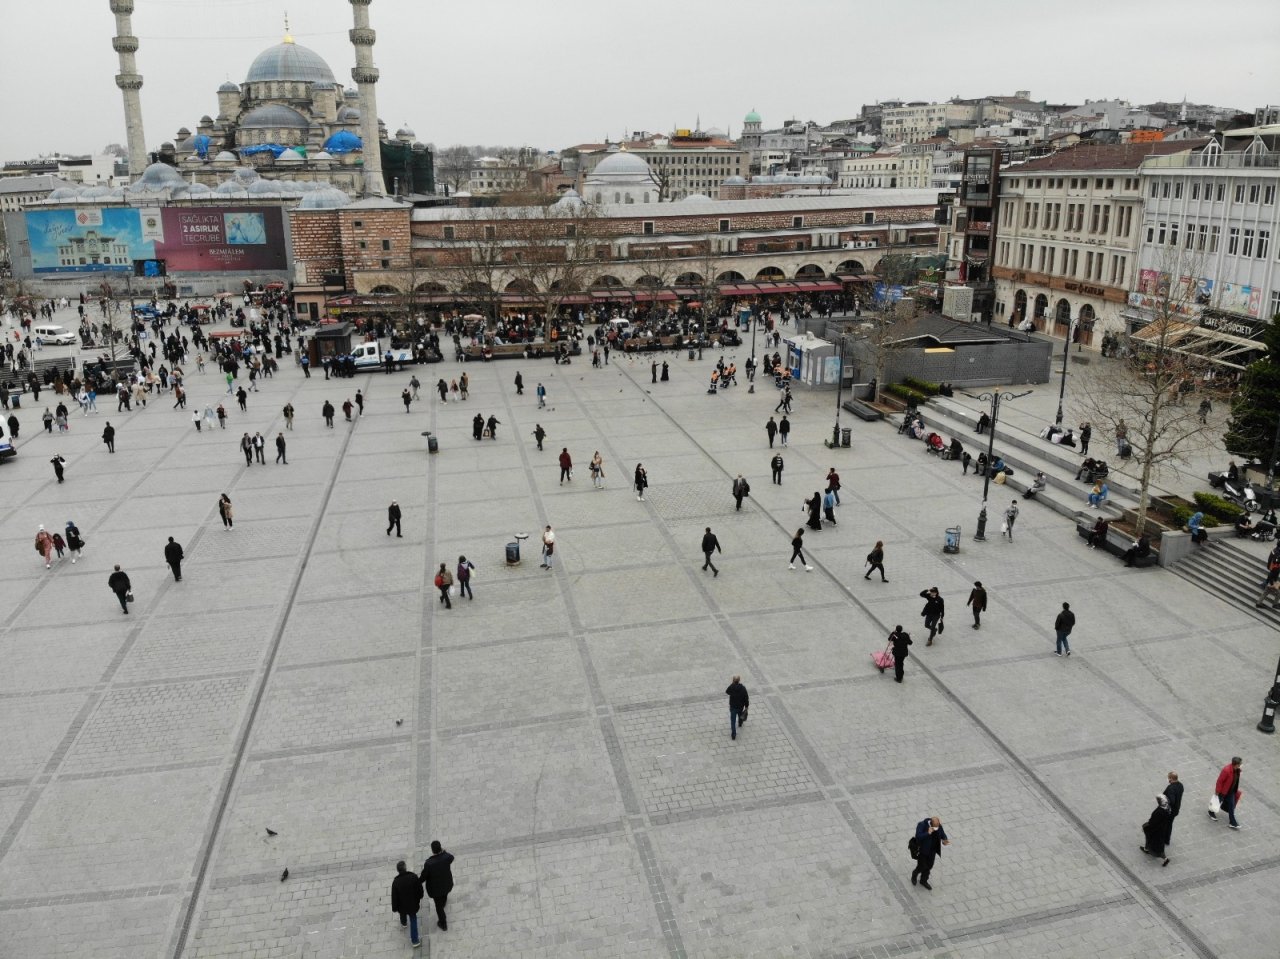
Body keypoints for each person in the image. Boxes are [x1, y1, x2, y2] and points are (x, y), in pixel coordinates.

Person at [420, 841, 455, 931]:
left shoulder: (429, 863)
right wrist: (444, 852)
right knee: (444, 894)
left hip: (435, 890)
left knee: (438, 907)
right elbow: (452, 857)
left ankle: (443, 923)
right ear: (440, 848)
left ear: (432, 850)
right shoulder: (446, 857)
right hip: (447, 884)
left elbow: (423, 877)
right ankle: (444, 902)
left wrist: (416, 882)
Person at [910, 817, 950, 889]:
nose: (937, 828)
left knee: (929, 866)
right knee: (921, 866)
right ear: (931, 824)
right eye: (935, 827)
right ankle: (914, 874)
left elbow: (942, 834)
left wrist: (945, 840)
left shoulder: (938, 826)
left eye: (938, 826)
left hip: (932, 850)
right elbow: (918, 837)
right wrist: (927, 833)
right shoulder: (922, 825)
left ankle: (923, 880)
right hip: (923, 851)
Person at [1209, 756, 1243, 829]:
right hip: (1223, 791)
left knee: (1231, 806)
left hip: (1231, 791)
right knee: (1217, 802)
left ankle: (1232, 822)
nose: (1240, 765)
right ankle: (1211, 812)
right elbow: (1220, 781)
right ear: (1236, 764)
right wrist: (1217, 791)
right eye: (1239, 764)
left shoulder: (1237, 770)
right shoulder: (1226, 770)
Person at [1140, 795, 1173, 866]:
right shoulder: (1167, 808)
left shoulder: (1159, 811)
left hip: (1155, 830)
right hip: (1162, 830)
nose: (1157, 801)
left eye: (1158, 800)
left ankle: (1147, 849)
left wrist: (1146, 826)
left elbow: (1153, 822)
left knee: (1149, 838)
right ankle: (1165, 859)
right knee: (1159, 845)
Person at [725, 675, 749, 740]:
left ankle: (733, 734)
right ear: (739, 680)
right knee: (740, 715)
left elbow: (727, 691)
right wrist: (746, 706)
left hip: (733, 707)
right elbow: (746, 698)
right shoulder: (743, 688)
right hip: (740, 706)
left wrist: (732, 684)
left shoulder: (731, 687)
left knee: (733, 721)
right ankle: (740, 723)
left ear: (733, 680)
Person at [1164, 772, 1184, 844]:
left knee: (1166, 824)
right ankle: (1167, 839)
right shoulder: (1181, 785)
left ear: (1171, 779)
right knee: (1169, 824)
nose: (1168, 779)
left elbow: (1171, 801)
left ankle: (1165, 839)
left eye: (1168, 778)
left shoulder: (1171, 788)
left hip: (1169, 811)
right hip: (1176, 809)